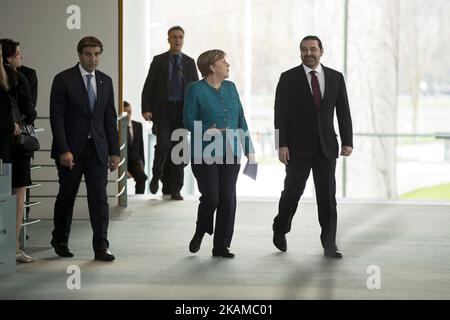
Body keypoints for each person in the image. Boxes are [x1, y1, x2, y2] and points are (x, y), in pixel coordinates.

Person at [272, 35, 353, 258]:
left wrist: (347, 141)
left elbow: (343, 111)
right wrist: (281, 144)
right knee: (291, 193)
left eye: (313, 49)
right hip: (297, 149)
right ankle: (280, 228)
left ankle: (329, 242)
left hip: (327, 148)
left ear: (321, 51)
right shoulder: (288, 78)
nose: (309, 53)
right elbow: (280, 114)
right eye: (304, 50)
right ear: (300, 52)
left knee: (327, 197)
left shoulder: (335, 77)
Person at [49, 36, 120, 261]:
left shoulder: (106, 81)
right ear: (79, 55)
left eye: (97, 54)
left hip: (97, 149)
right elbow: (56, 118)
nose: (93, 59)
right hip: (70, 150)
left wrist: (115, 151)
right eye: (88, 54)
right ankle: (60, 239)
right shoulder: (63, 79)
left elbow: (110, 118)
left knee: (99, 199)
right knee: (67, 196)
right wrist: (63, 149)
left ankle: (101, 246)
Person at [184, 49, 255, 258]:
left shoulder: (231, 88)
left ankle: (221, 246)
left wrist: (250, 150)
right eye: (224, 62)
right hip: (204, 151)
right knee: (212, 198)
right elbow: (187, 120)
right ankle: (200, 230)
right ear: (212, 66)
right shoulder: (195, 89)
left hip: (232, 151)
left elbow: (241, 119)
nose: (228, 65)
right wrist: (207, 129)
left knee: (227, 198)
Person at [141, 26, 199, 200]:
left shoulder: (189, 62)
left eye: (180, 37)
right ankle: (156, 176)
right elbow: (148, 86)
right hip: (163, 110)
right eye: (174, 37)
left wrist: (196, 112)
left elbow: (196, 89)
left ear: (183, 39)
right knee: (164, 145)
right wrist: (146, 109)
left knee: (179, 151)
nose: (177, 40)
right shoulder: (159, 60)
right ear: (168, 39)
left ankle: (176, 189)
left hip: (182, 111)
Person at [1, 39, 37, 263]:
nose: (21, 57)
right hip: (17, 145)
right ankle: (12, 248)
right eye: (18, 54)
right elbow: (29, 110)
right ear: (8, 57)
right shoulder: (18, 76)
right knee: (17, 198)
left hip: (4, 145)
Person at [123, 100, 147, 194]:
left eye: (129, 112)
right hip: (121, 162)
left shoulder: (138, 126)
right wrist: (123, 170)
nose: (127, 115)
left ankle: (139, 198)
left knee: (142, 177)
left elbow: (141, 147)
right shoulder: (116, 127)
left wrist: (142, 165)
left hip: (134, 162)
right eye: (125, 112)